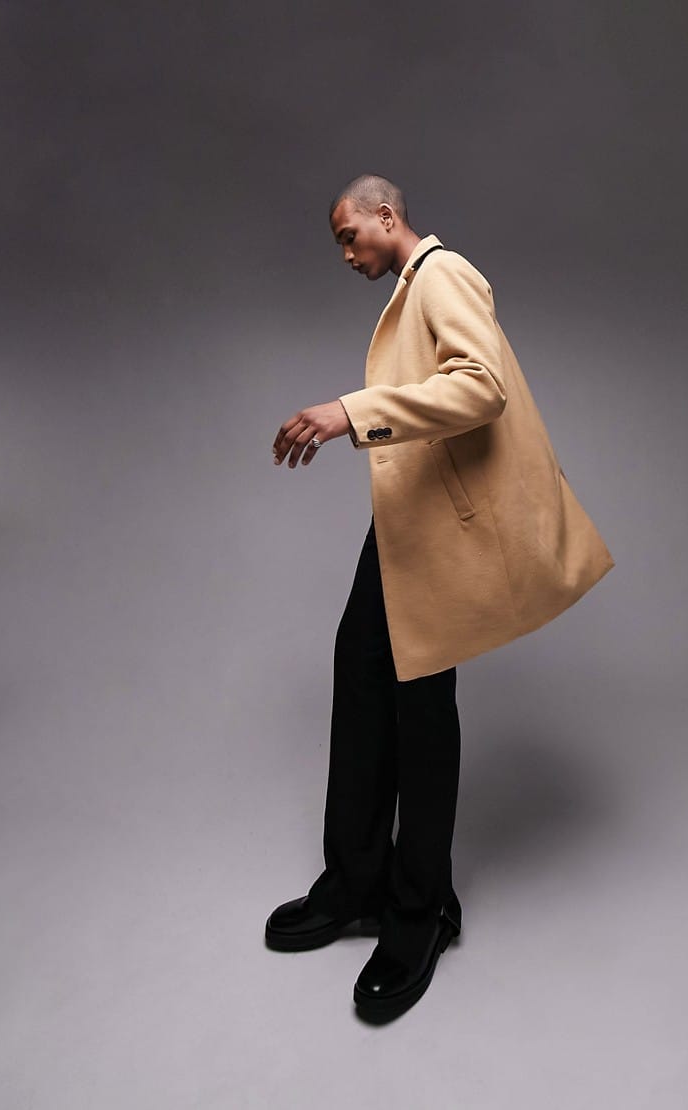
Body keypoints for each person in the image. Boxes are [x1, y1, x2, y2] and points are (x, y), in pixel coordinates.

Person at [266, 174, 614, 1018]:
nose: (346, 253)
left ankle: (421, 910)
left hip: (437, 529)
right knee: (363, 678)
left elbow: (482, 386)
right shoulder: (413, 285)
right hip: (406, 522)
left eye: (350, 235)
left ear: (387, 217)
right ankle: (356, 883)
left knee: (419, 705)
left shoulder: (444, 274)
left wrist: (351, 412)